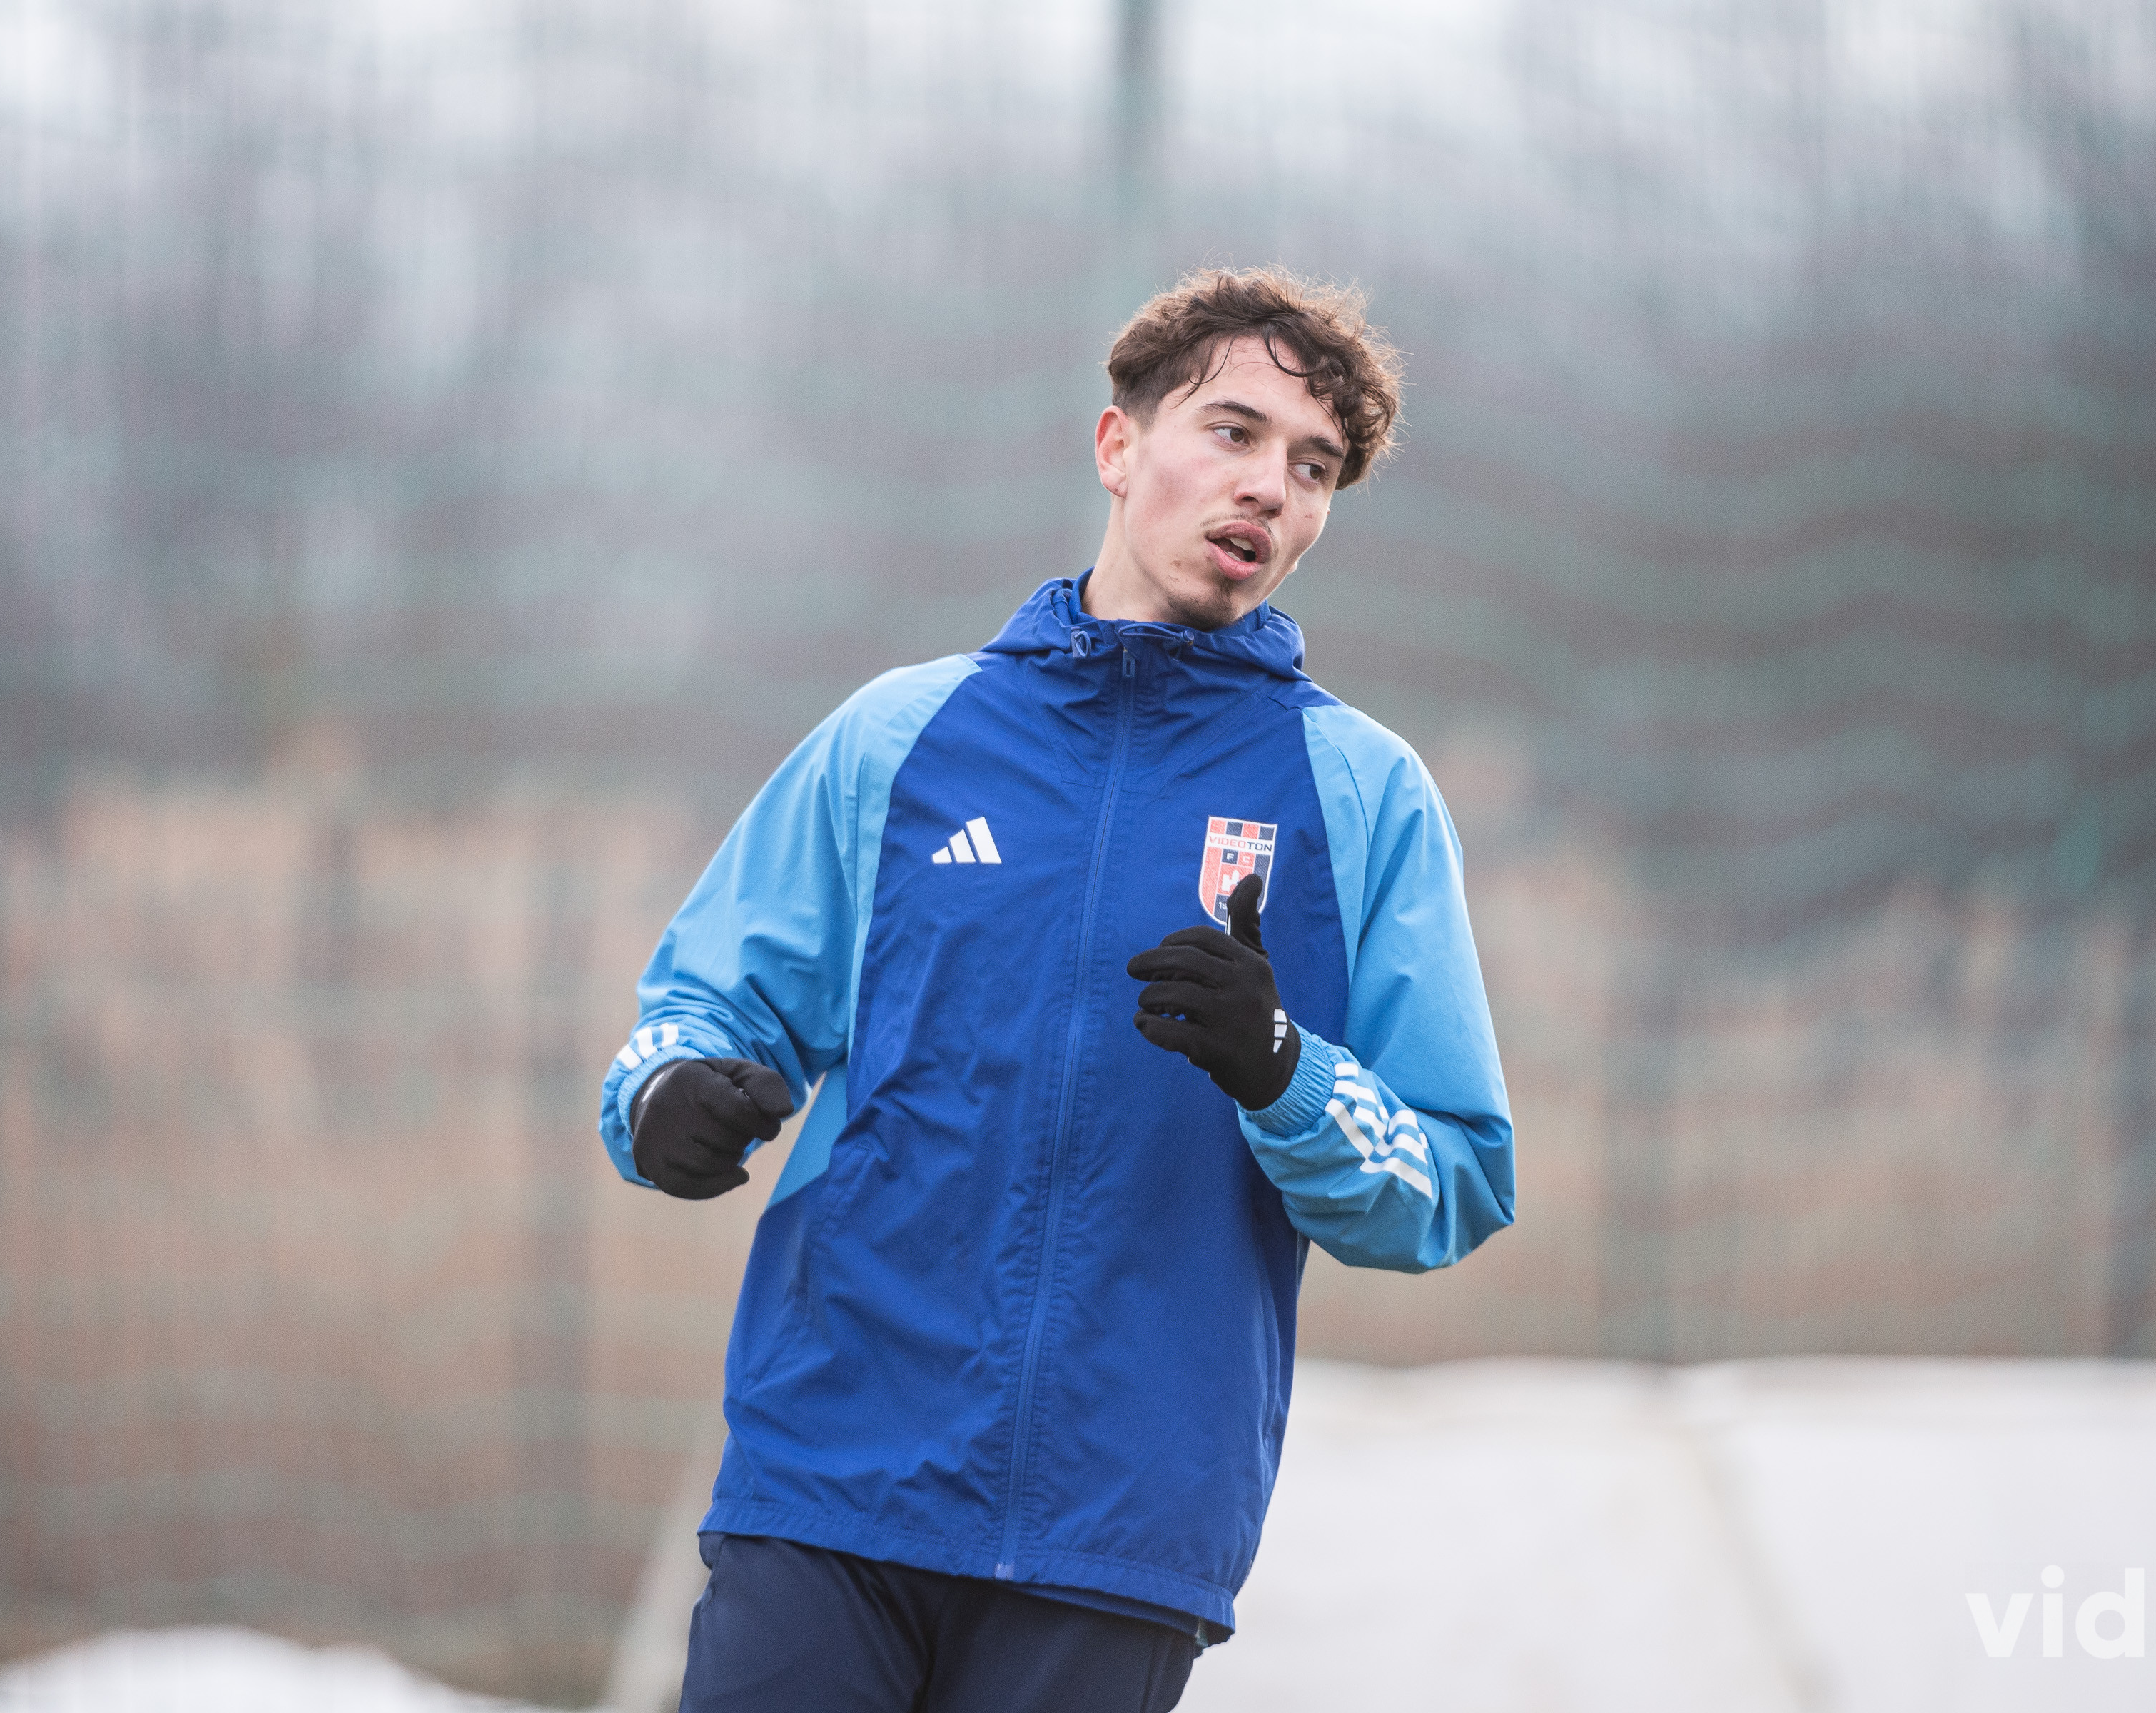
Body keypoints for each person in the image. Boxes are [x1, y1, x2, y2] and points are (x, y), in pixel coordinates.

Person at [599, 266, 1514, 1713]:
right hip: (828, 1475)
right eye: (1233, 432)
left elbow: (1453, 1179)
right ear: (1117, 445)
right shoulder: (900, 737)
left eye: (1313, 467)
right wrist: (667, 1099)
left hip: (1120, 1532)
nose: (1269, 486)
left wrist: (1286, 1069)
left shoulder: (1362, 797)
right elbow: (706, 1007)